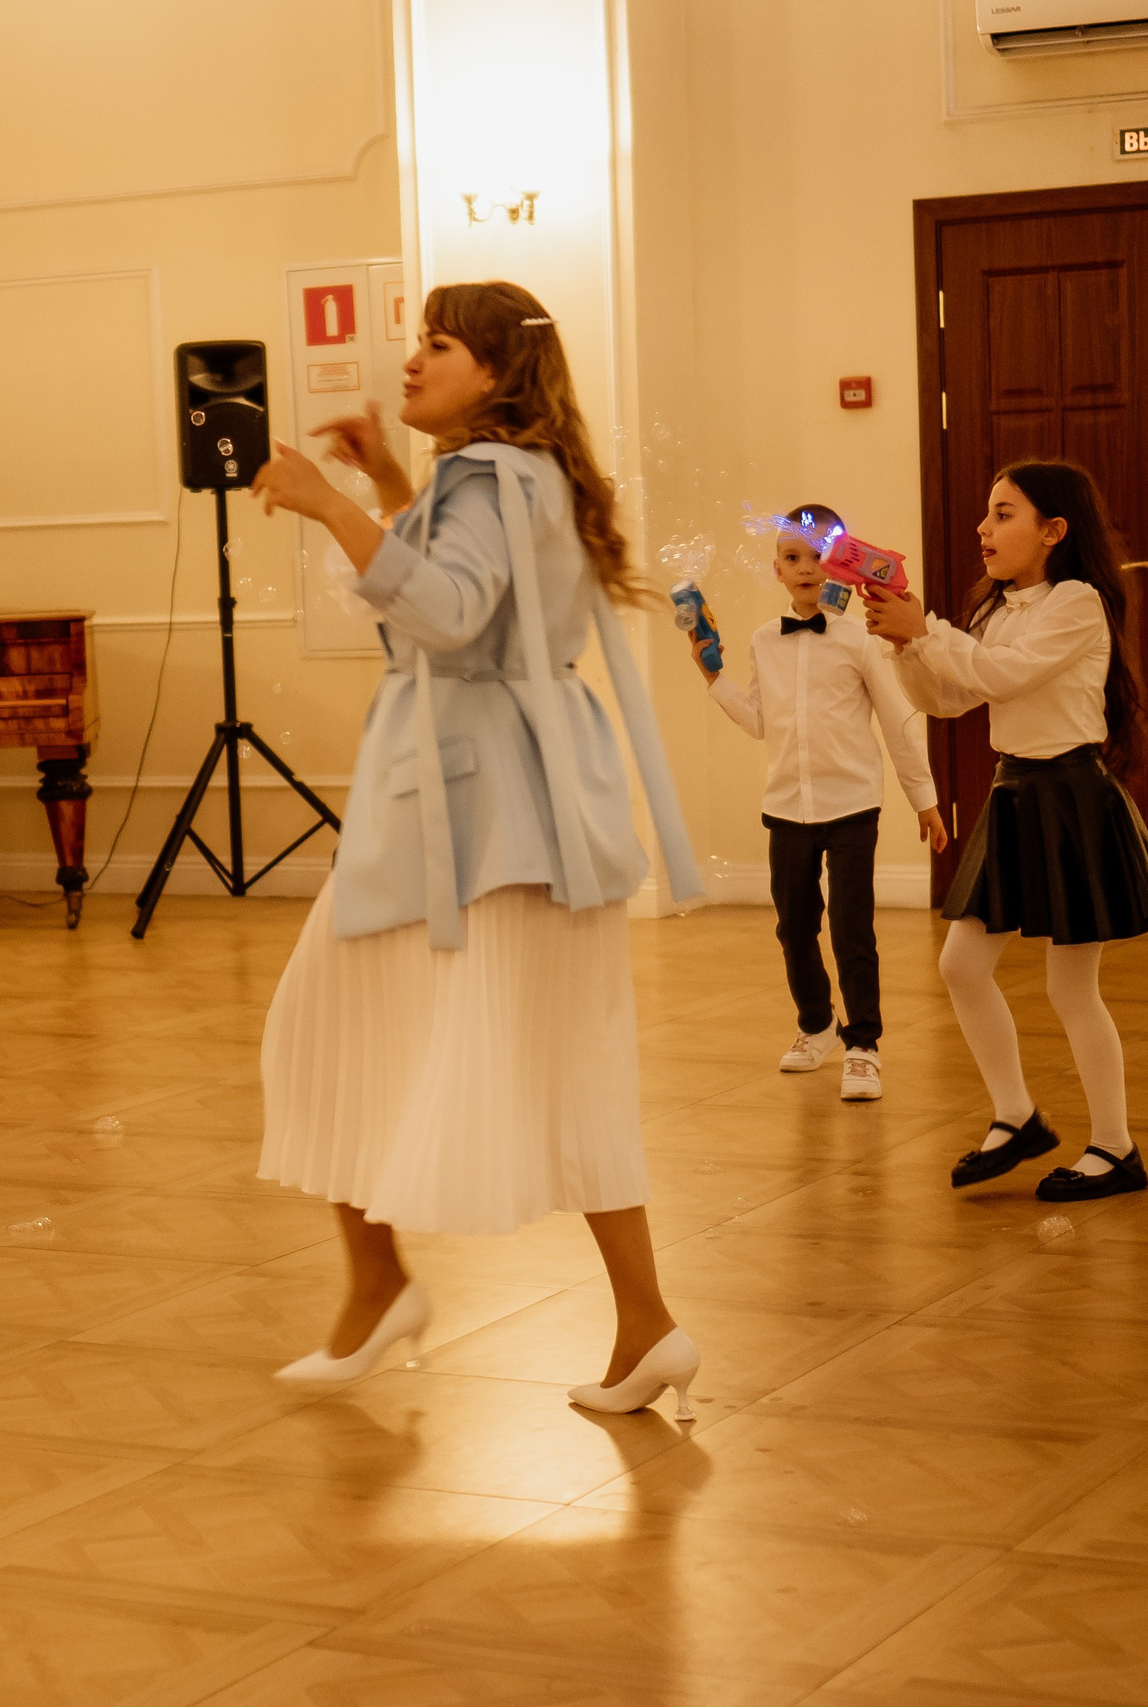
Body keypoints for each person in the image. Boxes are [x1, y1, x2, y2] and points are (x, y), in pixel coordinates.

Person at [248, 281, 708, 1419]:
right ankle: (643, 1322)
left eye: (438, 345)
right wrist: (386, 481)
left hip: (470, 813)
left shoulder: (490, 474)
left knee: (317, 1028)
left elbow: (449, 613)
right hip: (533, 805)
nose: (411, 361)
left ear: (496, 373)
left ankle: (382, 1285)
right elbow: (474, 586)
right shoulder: (522, 473)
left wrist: (327, 504)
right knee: (570, 1066)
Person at [865, 459, 1148, 1202]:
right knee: (961, 966)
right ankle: (1016, 1117)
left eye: (1003, 513)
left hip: (1072, 798)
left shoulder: (1077, 603)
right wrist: (906, 645)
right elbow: (950, 698)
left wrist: (925, 631)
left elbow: (1001, 676)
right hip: (1015, 794)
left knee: (1071, 988)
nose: (983, 528)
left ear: (1053, 530)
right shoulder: (998, 611)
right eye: (987, 513)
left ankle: (1116, 1147)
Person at [689, 504, 947, 1101]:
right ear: (776, 569)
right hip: (787, 807)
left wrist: (925, 799)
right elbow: (760, 722)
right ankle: (816, 1024)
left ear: (840, 563)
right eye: (792, 556)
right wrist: (713, 679)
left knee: (852, 928)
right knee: (794, 926)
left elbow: (896, 721)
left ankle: (864, 1045)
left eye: (817, 556)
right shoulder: (763, 640)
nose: (805, 567)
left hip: (852, 803)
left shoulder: (861, 640)